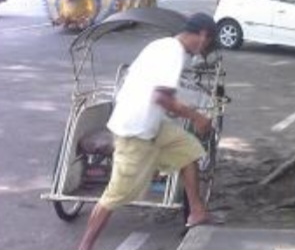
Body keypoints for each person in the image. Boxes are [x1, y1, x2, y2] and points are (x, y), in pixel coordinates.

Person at [77, 13, 220, 250]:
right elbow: (162, 97)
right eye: (207, 44)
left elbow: (156, 93)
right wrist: (196, 116)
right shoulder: (173, 52)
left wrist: (178, 110)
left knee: (189, 150)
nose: (203, 50)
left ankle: (196, 212)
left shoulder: (163, 46)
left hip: (151, 124)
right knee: (116, 195)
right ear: (203, 36)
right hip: (135, 129)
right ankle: (85, 246)